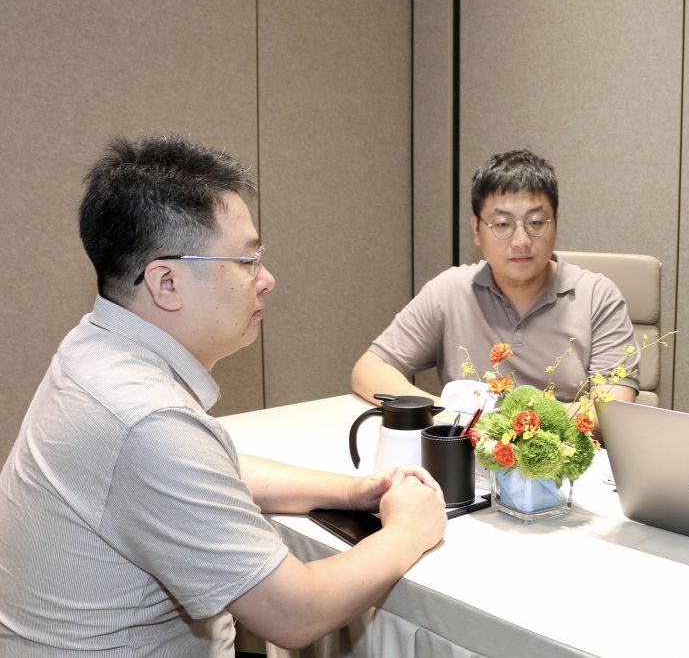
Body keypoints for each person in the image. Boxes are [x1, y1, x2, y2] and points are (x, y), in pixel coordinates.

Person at [0, 134, 447, 655]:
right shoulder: (147, 421)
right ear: (166, 283)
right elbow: (296, 612)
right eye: (246, 261)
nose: (267, 279)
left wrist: (353, 492)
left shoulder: (95, 346)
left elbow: (212, 469)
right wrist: (409, 530)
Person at [351, 149, 640, 428]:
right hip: (470, 457)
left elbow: (611, 413)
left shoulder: (598, 297)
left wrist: (500, 419)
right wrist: (449, 412)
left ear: (556, 224)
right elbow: (369, 370)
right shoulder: (449, 291)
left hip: (567, 460)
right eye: (502, 224)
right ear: (476, 230)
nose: (521, 241)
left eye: (536, 222)